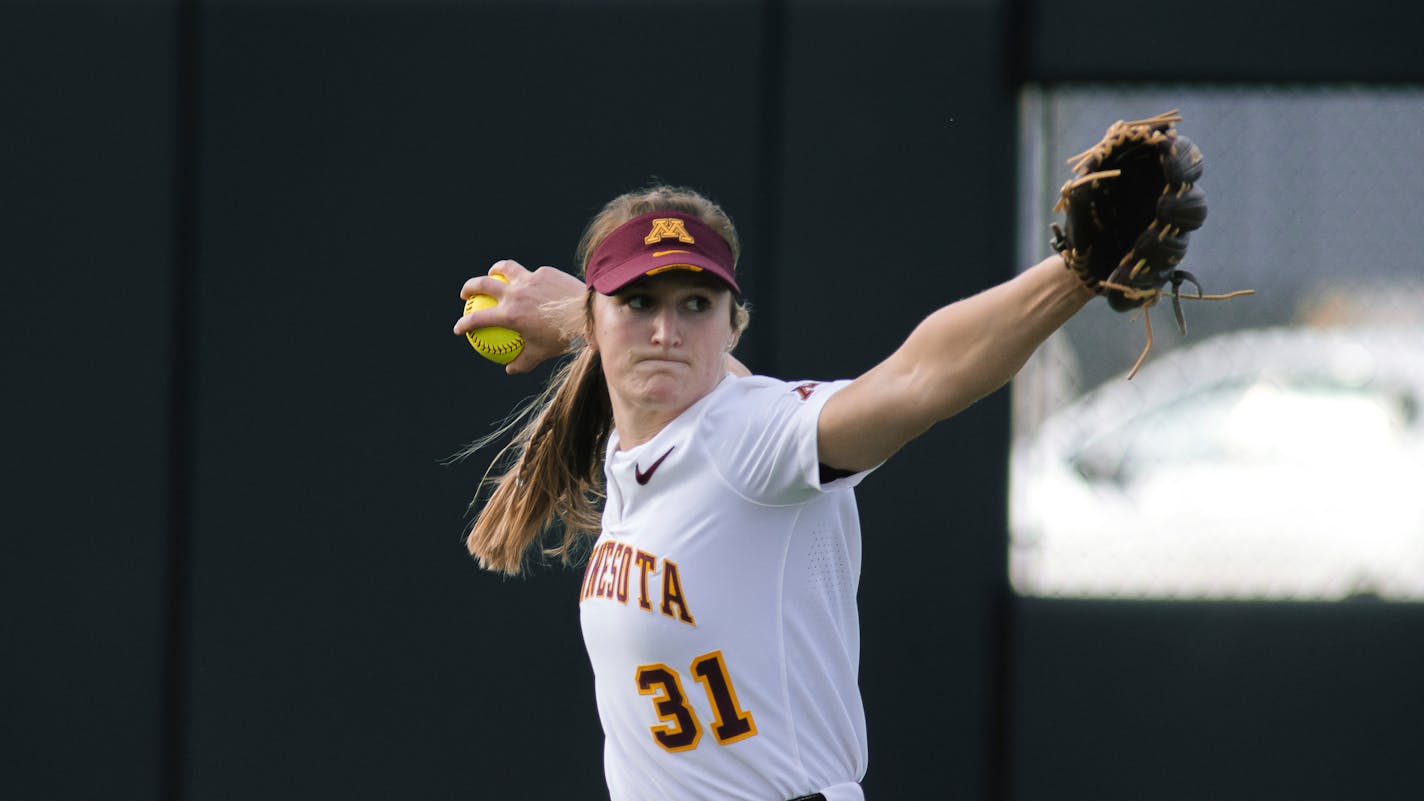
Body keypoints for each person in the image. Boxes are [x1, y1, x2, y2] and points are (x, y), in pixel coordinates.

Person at [452, 184, 1092, 801]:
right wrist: (575, 313)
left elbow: (921, 377)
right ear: (592, 323)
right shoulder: (642, 451)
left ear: (734, 326)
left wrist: (1078, 270)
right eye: (638, 300)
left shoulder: (753, 440)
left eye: (697, 304)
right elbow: (665, 358)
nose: (666, 332)